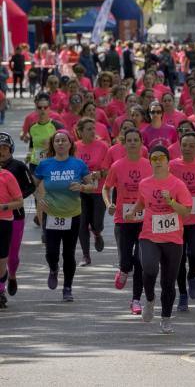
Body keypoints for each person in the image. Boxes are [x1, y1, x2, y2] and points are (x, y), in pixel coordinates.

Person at [124, 146, 192, 333]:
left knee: (168, 282)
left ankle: (166, 318)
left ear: (168, 161)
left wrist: (170, 201)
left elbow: (186, 211)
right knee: (149, 268)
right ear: (150, 162)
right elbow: (141, 201)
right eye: (154, 158)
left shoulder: (177, 185)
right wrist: (132, 211)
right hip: (149, 235)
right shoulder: (144, 183)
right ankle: (150, 299)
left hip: (173, 238)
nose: (158, 161)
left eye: (161, 158)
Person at [34, 130, 96, 301]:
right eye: (57, 141)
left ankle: (67, 287)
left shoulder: (78, 164)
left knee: (68, 254)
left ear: (70, 144)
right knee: (51, 253)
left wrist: (82, 187)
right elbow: (32, 185)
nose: (60, 143)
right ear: (53, 145)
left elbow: (93, 186)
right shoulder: (45, 165)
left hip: (73, 215)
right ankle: (53, 268)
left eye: (64, 140)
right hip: (52, 214)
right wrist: (40, 198)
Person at [103, 129, 152, 314]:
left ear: (141, 143)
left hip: (143, 218)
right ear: (124, 144)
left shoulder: (148, 165)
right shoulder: (117, 166)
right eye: (128, 140)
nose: (132, 143)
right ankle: (123, 269)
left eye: (135, 140)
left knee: (140, 261)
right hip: (123, 219)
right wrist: (109, 203)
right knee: (126, 259)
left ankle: (136, 300)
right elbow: (106, 188)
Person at [167, 132, 195, 311]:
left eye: (191, 145)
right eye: (184, 145)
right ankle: (183, 295)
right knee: (178, 258)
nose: (187, 148)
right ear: (179, 146)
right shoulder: (172, 165)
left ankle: (192, 274)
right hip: (177, 216)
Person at [0, 133, 36, 299]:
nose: (2, 151)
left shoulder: (19, 166)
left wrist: (16, 196)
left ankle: (12, 274)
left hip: (16, 215)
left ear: (11, 149)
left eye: (5, 148)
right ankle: (1, 288)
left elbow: (31, 186)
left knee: (12, 255)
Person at [75, 118, 108, 266]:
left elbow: (109, 169)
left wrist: (99, 174)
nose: (93, 131)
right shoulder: (75, 147)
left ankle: (97, 232)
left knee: (97, 222)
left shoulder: (102, 146)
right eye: (88, 129)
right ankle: (86, 256)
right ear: (80, 132)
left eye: (93, 128)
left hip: (98, 189)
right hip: (80, 190)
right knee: (82, 223)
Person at [0, 162, 24, 308]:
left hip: (3, 222)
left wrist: (4, 207)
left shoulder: (7, 176)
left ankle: (3, 279)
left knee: (1, 262)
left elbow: (19, 202)